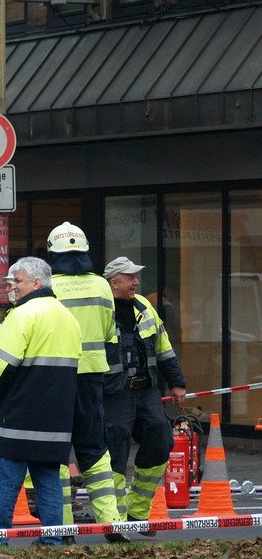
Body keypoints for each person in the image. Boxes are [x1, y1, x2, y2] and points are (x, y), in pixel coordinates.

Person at [0, 257, 82, 546]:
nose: (12, 288)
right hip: (56, 419)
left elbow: (0, 366)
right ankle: (53, 540)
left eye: (17, 281)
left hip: (19, 417)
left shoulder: (21, 316)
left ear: (37, 283)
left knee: (4, 482)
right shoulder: (68, 317)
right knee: (48, 481)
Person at [47, 222, 128, 542]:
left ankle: (65, 527)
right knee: (94, 450)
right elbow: (110, 335)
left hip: (55, 377)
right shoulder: (100, 286)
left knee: (58, 452)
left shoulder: (48, 286)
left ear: (53, 254)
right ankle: (111, 523)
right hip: (93, 379)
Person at [103, 256, 187, 527]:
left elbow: (163, 347)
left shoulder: (145, 307)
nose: (136, 282)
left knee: (162, 441)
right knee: (115, 451)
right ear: (114, 282)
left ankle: (137, 511)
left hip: (146, 390)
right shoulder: (101, 310)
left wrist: (177, 382)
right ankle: (114, 519)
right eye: (130, 278)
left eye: (136, 277)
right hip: (115, 392)